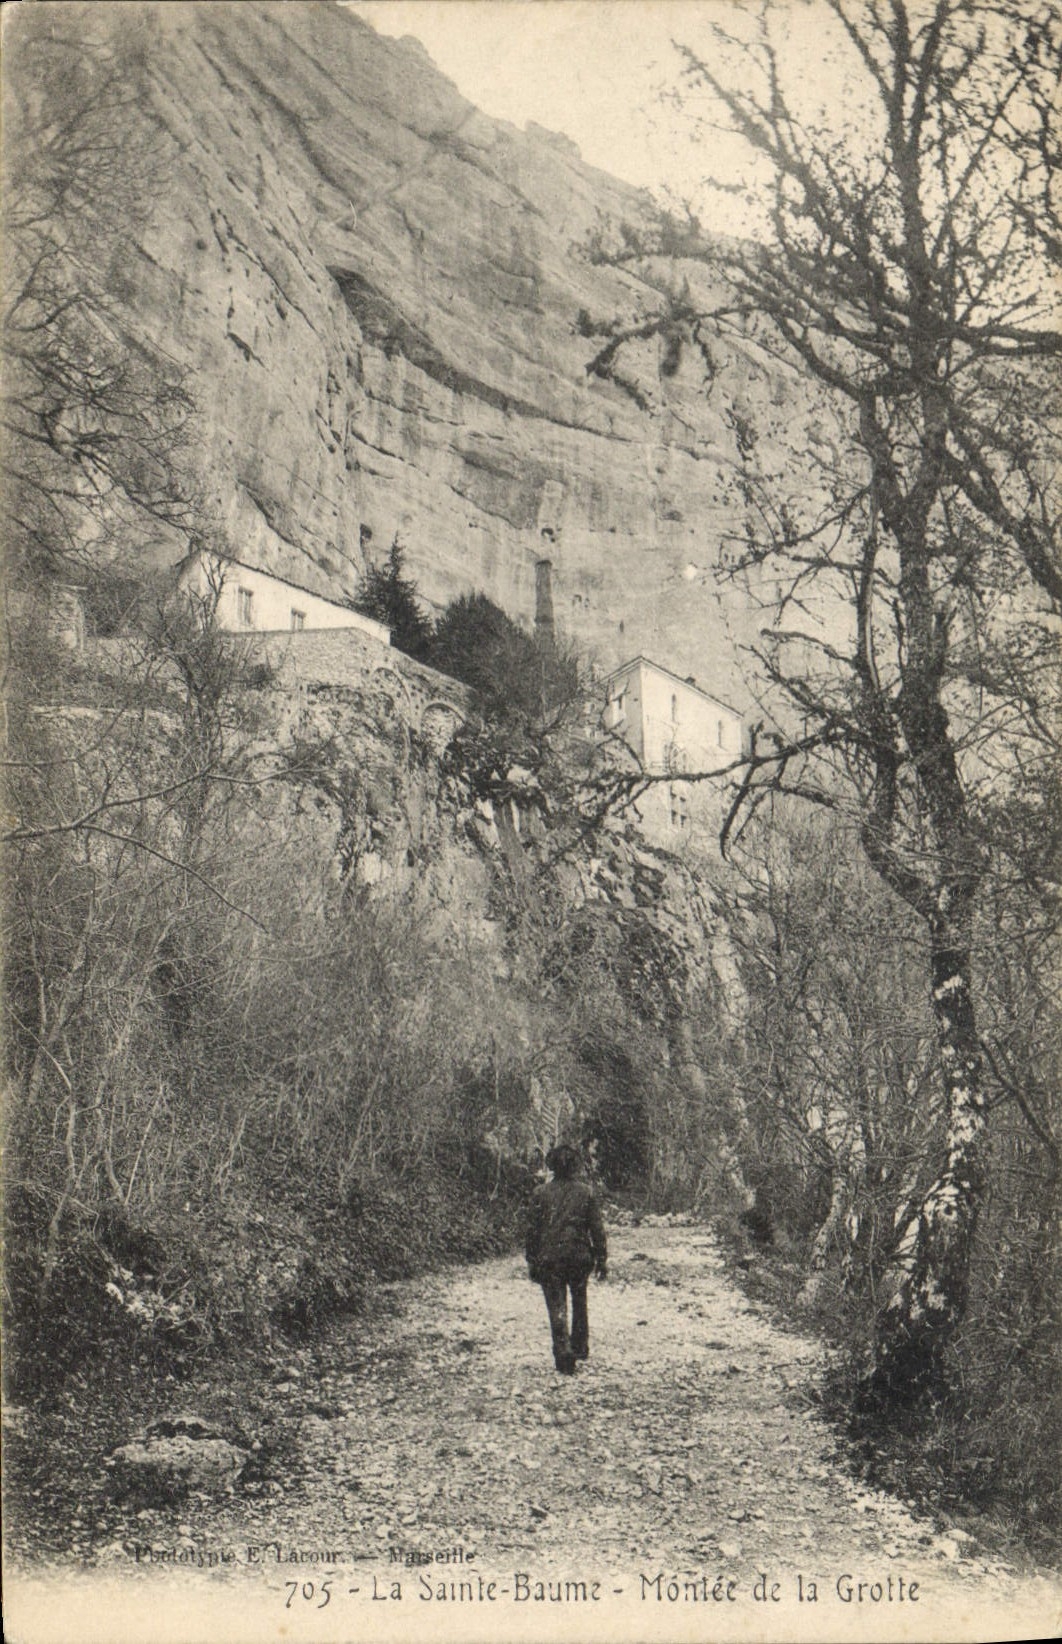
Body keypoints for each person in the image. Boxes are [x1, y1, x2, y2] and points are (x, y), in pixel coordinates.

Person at [525, 1143, 607, 1375]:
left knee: (556, 1304)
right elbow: (597, 1229)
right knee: (579, 1300)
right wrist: (601, 1259)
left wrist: (531, 1258)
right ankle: (579, 1346)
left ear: (552, 1165)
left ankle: (563, 1351)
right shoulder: (586, 1192)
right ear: (575, 1166)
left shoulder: (540, 1193)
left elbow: (532, 1230)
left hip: (550, 1257)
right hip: (579, 1257)